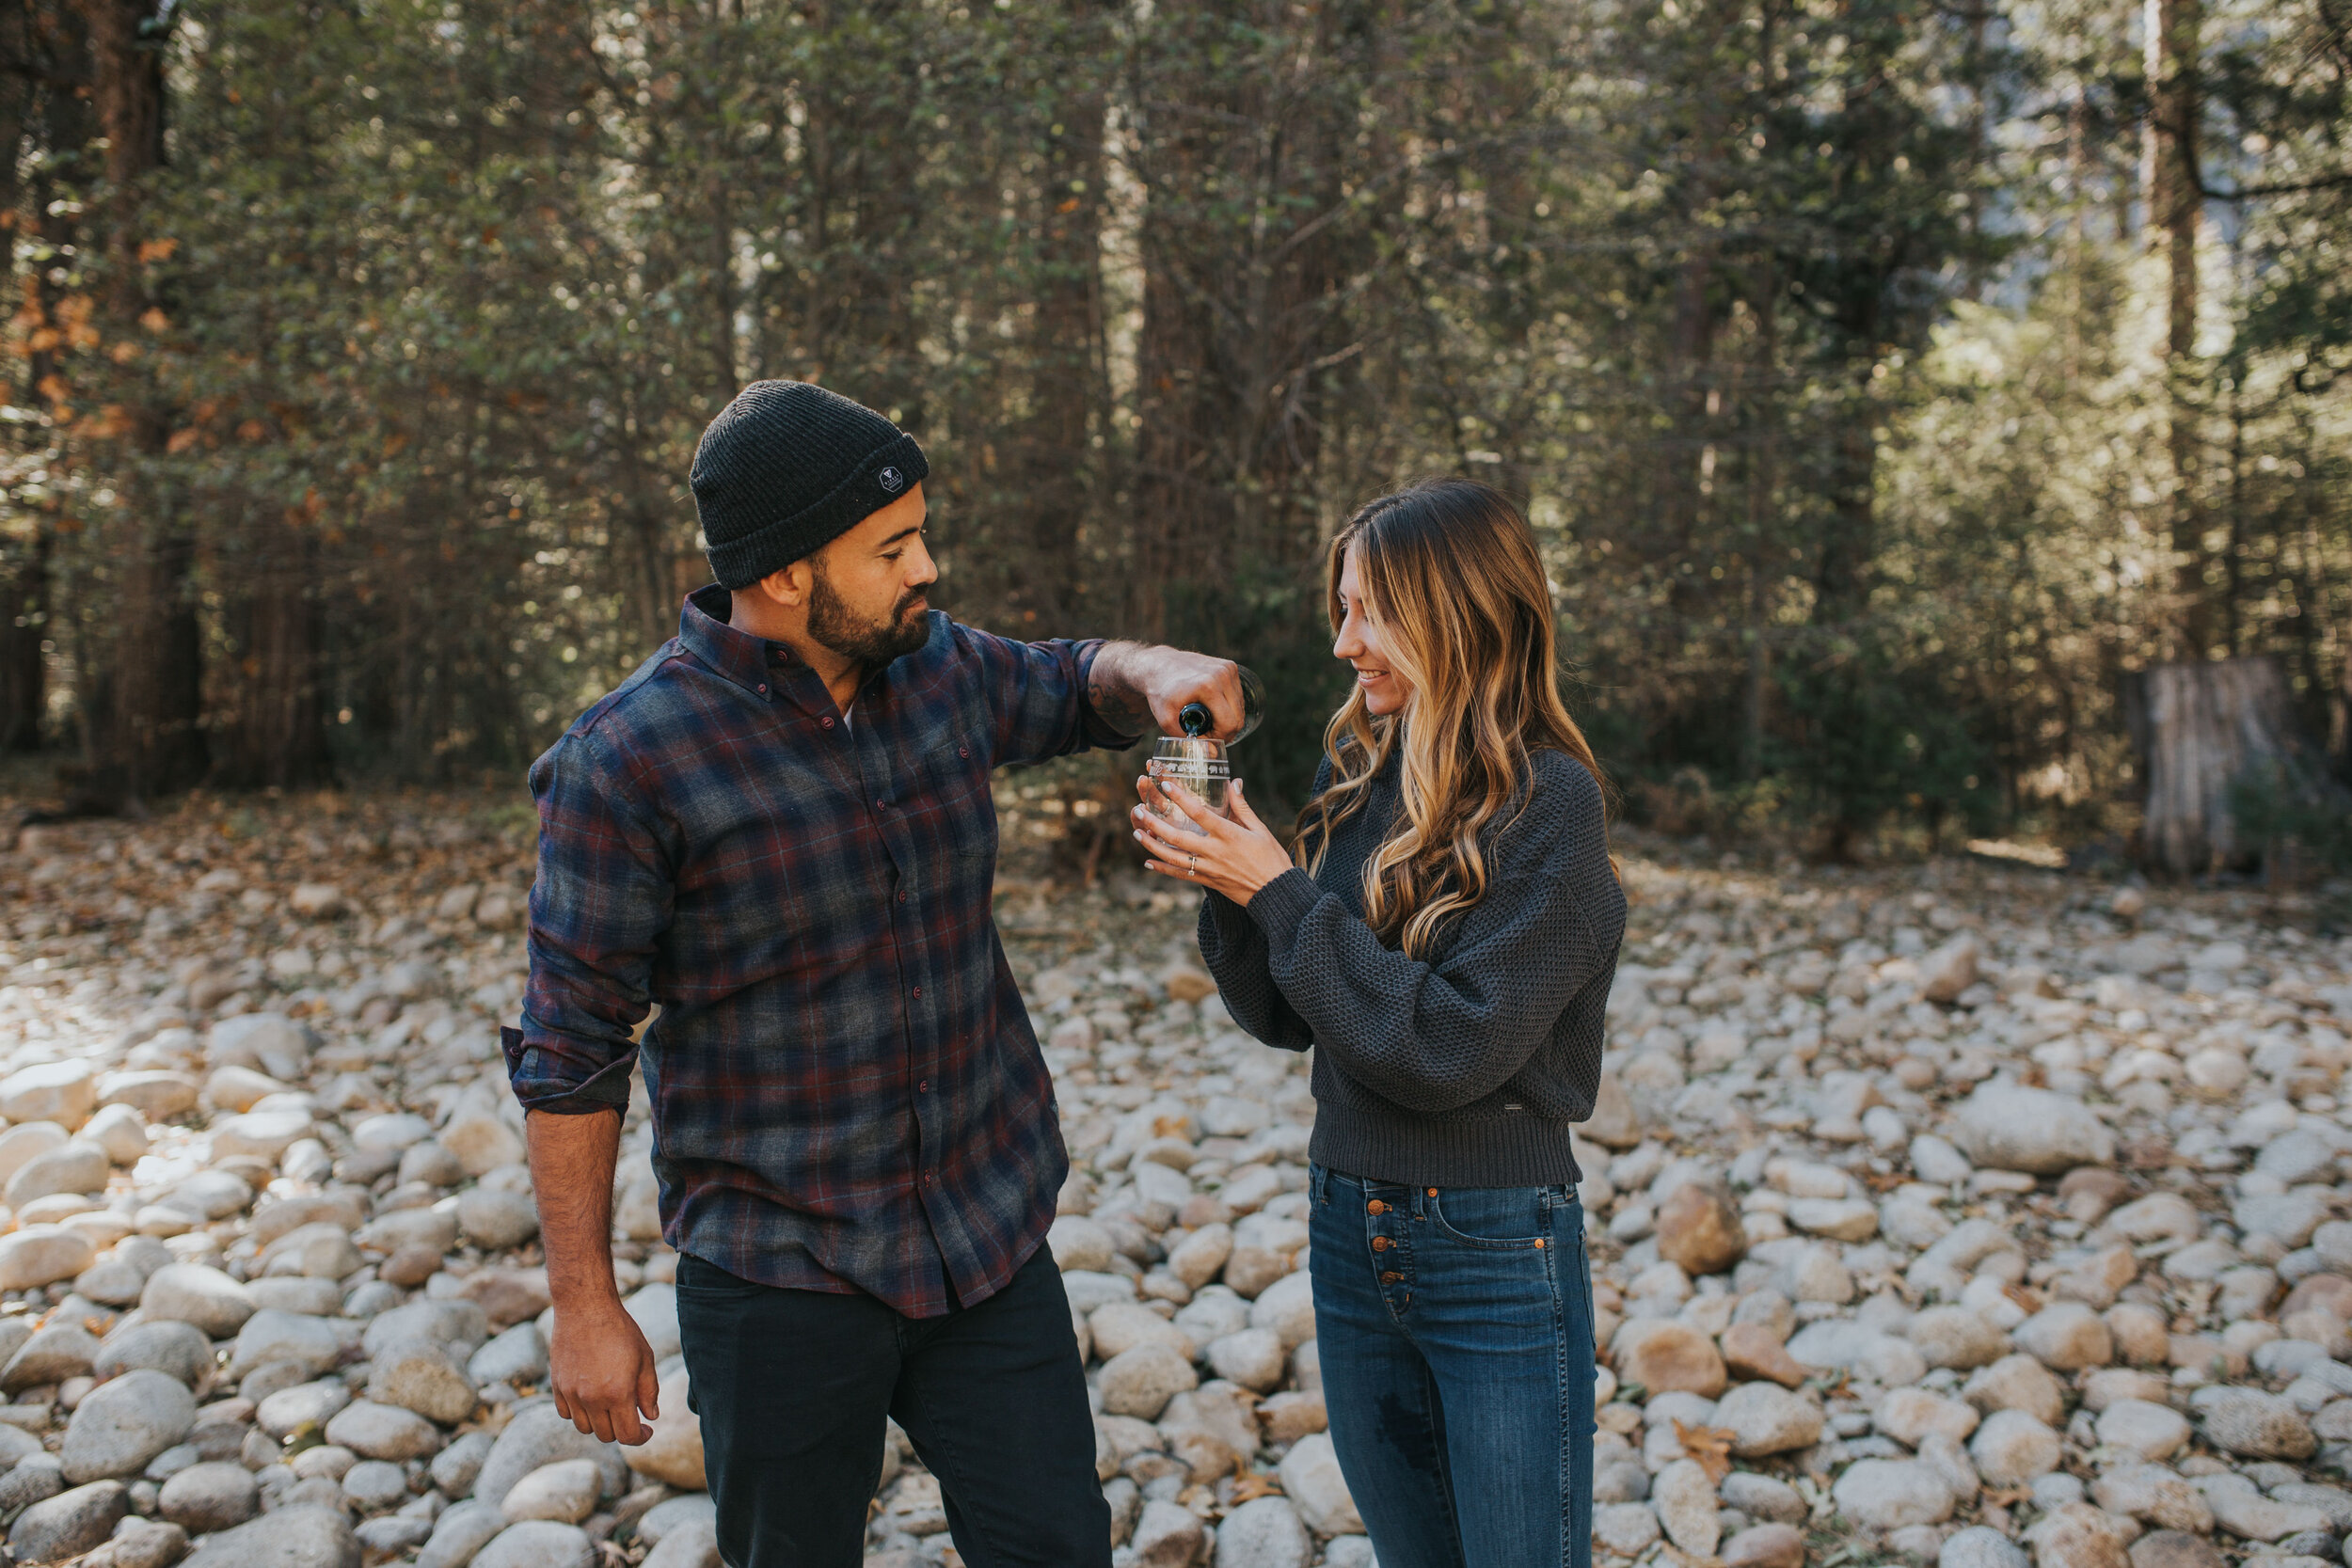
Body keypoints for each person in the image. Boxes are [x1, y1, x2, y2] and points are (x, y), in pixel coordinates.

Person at [508, 380, 1248, 1568]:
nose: (929, 567)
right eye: (893, 545)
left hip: (988, 1235)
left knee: (1062, 1547)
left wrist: (1151, 668)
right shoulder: (628, 761)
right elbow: (571, 1047)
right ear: (790, 573)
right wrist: (585, 1305)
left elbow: (1067, 680)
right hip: (779, 1276)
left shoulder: (939, 669)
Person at [1131, 476, 1625, 1568]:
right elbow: (1285, 1013)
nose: (1346, 642)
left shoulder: (1552, 805)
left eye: (1369, 610)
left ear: (1456, 613)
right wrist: (1228, 872)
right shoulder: (1360, 771)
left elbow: (1447, 1048)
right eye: (1341, 608)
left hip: (1494, 1242)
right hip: (1348, 1222)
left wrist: (1275, 889)